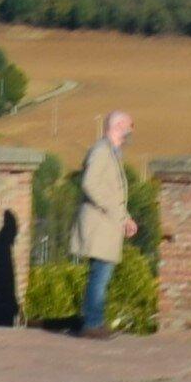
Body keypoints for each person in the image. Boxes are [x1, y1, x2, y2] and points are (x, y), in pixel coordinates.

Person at [72, 110, 133, 337]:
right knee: (100, 275)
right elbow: (90, 184)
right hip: (100, 225)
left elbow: (112, 191)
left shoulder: (111, 153)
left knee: (101, 274)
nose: (131, 131)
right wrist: (112, 211)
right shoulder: (101, 151)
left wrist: (125, 218)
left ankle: (95, 322)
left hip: (107, 224)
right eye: (130, 125)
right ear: (118, 126)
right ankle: (92, 323)